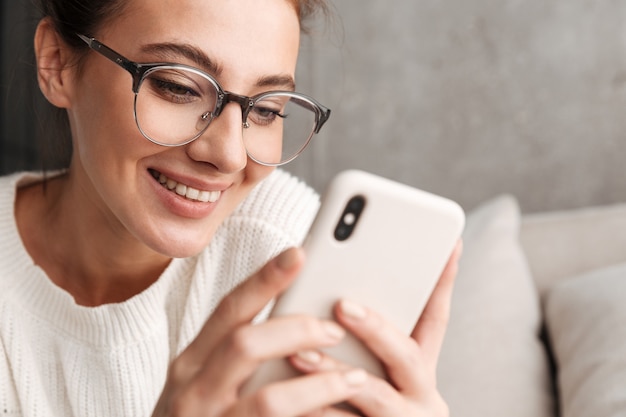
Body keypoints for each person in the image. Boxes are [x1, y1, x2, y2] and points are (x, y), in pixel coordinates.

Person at [0, 0, 462, 415]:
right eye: (179, 86)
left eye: (266, 110)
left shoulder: (294, 251)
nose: (230, 155)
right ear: (57, 64)